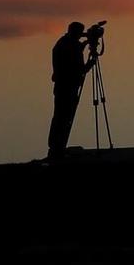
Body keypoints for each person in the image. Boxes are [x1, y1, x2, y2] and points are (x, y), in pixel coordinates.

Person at [46, 20, 96, 160]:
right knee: (64, 117)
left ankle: (56, 147)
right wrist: (90, 64)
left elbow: (70, 55)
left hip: (63, 85)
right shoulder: (70, 45)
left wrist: (84, 44)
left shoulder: (63, 42)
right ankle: (57, 148)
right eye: (80, 33)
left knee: (60, 116)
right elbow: (77, 68)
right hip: (68, 86)